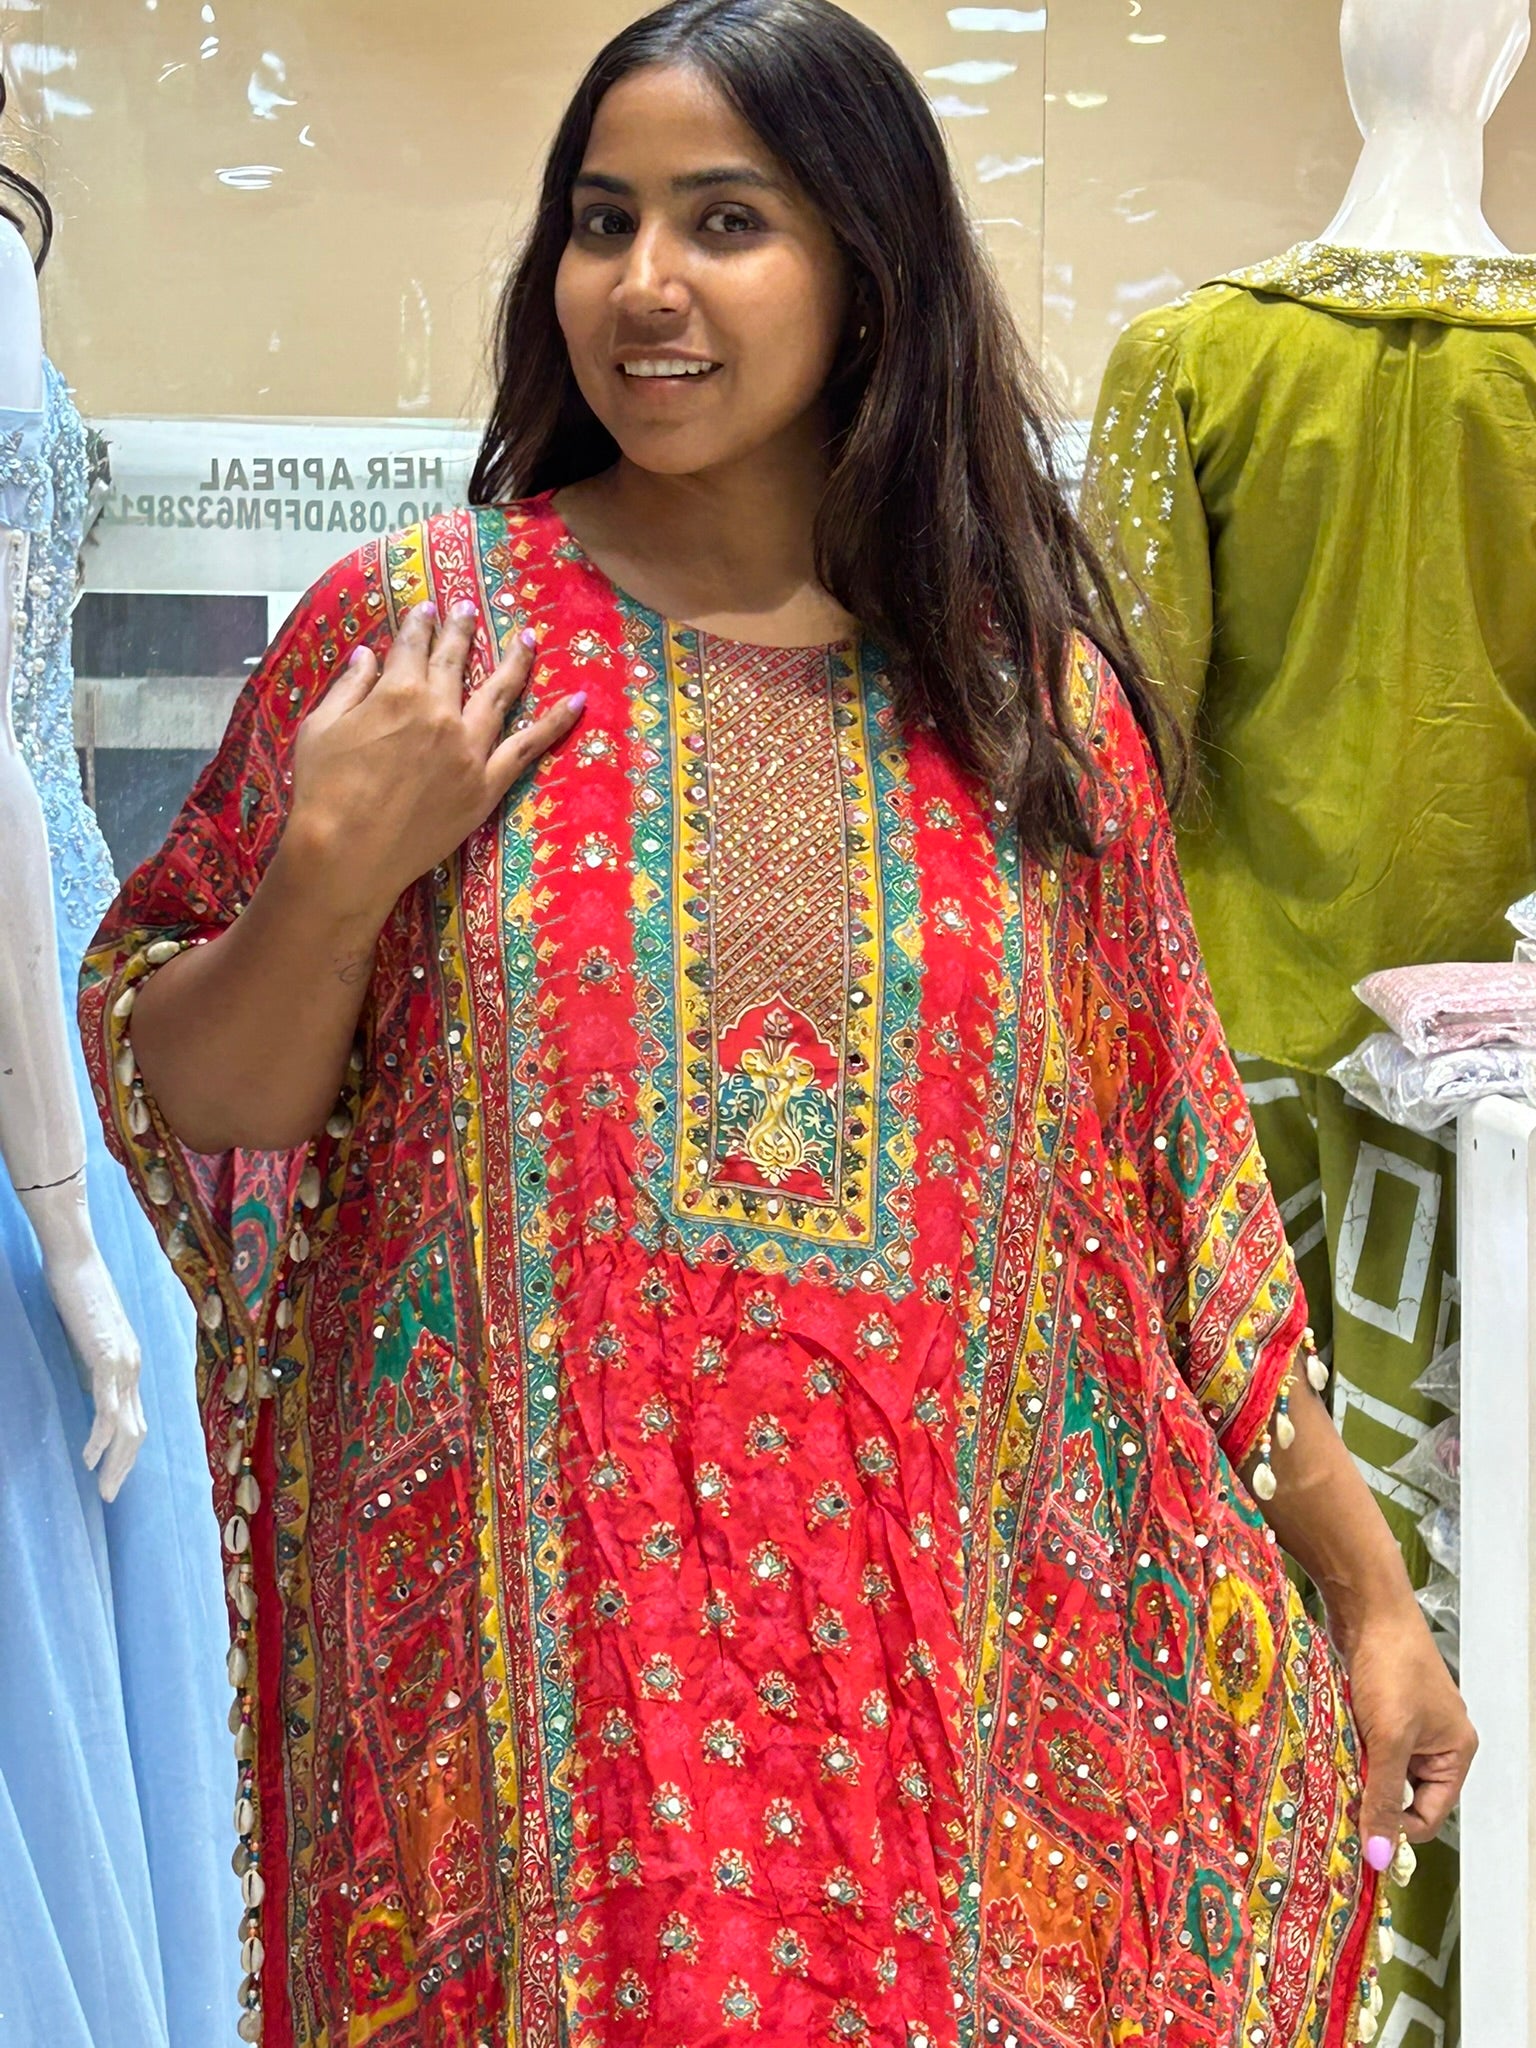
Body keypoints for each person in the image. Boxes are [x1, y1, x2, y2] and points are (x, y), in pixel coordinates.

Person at [80, 3, 1474, 2043]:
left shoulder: (1022, 707)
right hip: (534, 1755)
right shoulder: (427, 636)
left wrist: (1371, 1593)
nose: (643, 283)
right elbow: (203, 1101)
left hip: (914, 1748)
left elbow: (1185, 1210)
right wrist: (333, 870)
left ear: (866, 270)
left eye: (724, 222)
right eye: (602, 221)